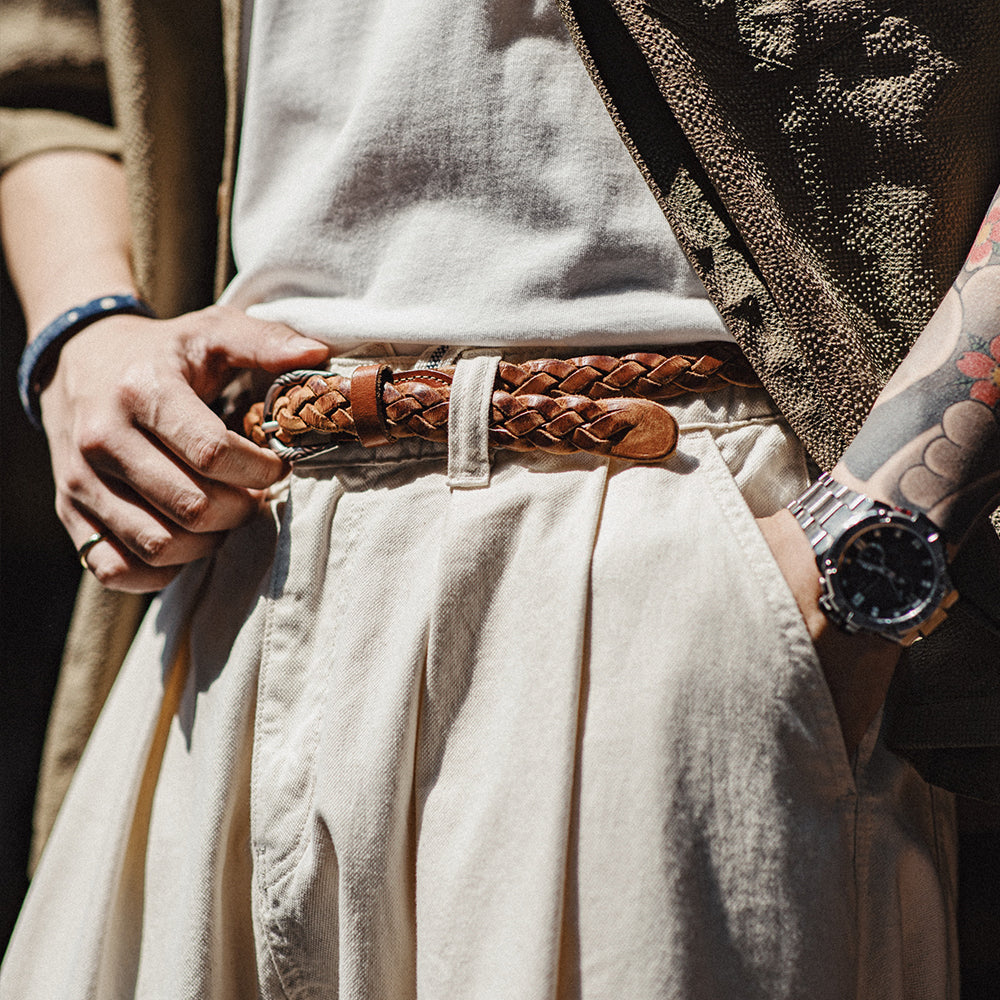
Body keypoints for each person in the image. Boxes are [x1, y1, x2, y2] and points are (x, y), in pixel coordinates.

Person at [1, 0, 998, 997]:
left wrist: (873, 529)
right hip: (250, 558)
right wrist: (84, 328)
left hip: (697, 527)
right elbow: (59, 65)